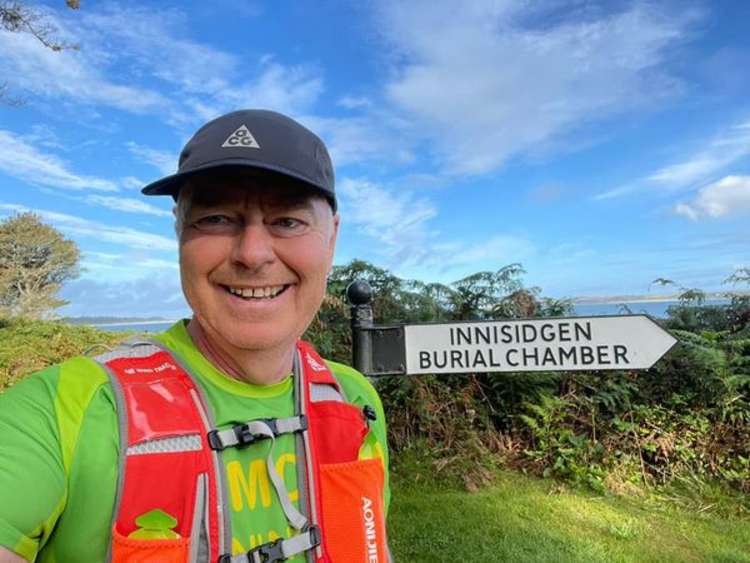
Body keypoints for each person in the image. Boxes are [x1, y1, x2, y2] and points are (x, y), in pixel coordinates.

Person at [0, 110, 390, 562]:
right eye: (217, 218)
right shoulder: (62, 412)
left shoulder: (353, 401)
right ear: (179, 231)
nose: (252, 253)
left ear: (332, 237)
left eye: (287, 221)